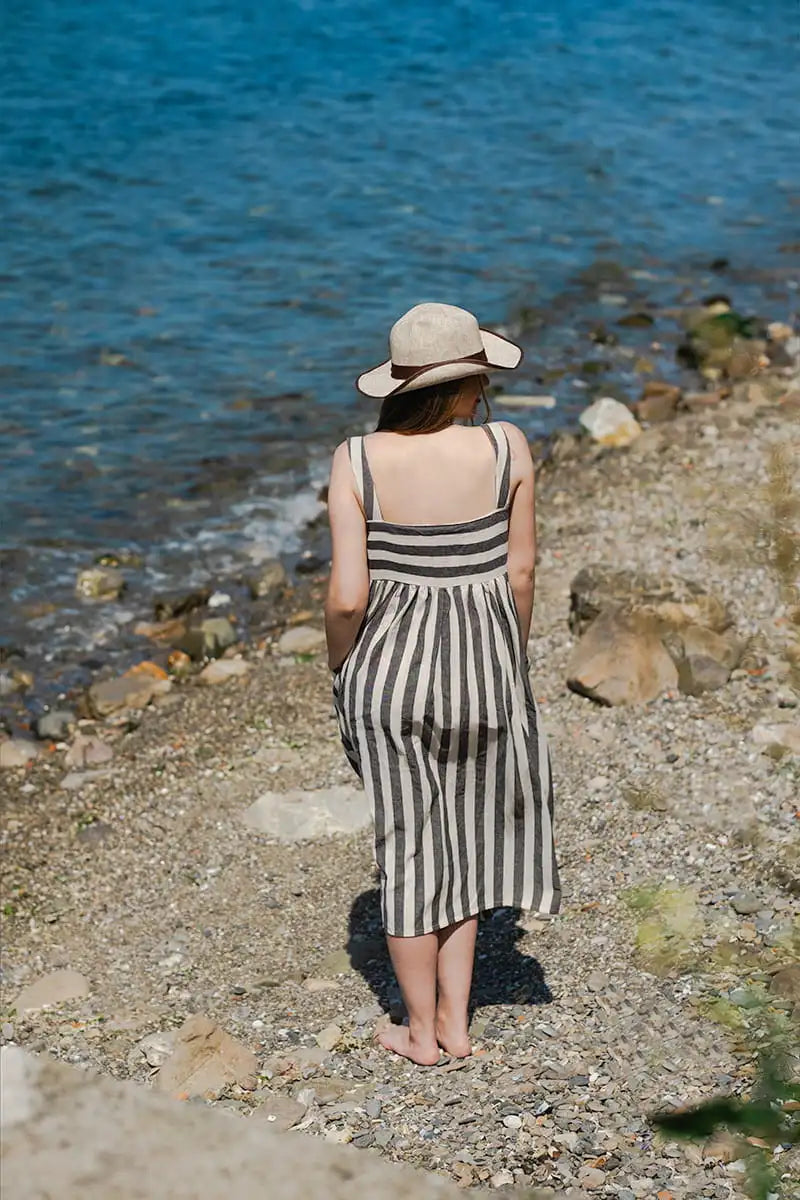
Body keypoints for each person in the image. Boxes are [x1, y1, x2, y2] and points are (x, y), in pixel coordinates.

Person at [325, 302, 561, 1065]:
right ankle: (458, 1024)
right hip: (485, 670)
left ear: (399, 385)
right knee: (470, 845)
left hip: (388, 680)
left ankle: (419, 1032)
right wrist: (506, 656)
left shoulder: (356, 460)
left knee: (408, 848)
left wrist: (340, 665)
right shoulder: (506, 446)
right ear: (470, 381)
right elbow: (520, 571)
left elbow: (347, 597)